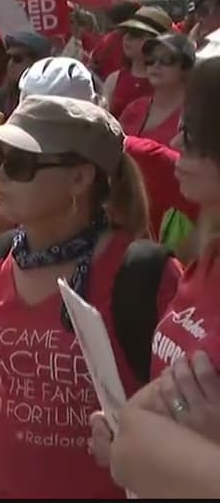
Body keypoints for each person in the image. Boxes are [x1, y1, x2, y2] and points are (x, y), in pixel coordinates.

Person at [0, 95, 180, 499]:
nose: (2, 177)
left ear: (80, 178)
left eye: (21, 164)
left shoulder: (145, 276)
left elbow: (187, 419)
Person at [89, 56, 220, 476]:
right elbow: (135, 434)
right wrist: (133, 434)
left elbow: (133, 452)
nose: (178, 142)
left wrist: (142, 447)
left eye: (198, 133)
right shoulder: (205, 263)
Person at [17, 56, 199, 252]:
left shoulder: (142, 155)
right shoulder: (11, 157)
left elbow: (209, 205)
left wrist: (189, 262)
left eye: (56, 125)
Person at [118, 32, 193, 147]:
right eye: (151, 59)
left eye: (166, 59)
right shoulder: (135, 108)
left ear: (186, 67)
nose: (156, 65)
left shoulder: (193, 116)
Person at [102, 6, 171, 117]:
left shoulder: (168, 81)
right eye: (126, 32)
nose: (127, 38)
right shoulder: (114, 79)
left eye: (136, 34)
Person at [0, 31, 52, 118]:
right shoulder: (0, 96)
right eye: (8, 58)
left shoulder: (49, 98)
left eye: (17, 59)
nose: (10, 64)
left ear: (37, 62)